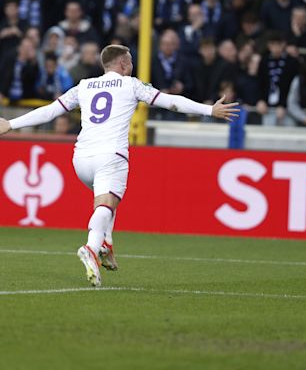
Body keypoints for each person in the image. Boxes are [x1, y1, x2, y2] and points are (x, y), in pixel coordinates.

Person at [0, 44, 239, 287]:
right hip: (111, 155)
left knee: (107, 202)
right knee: (106, 204)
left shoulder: (83, 86)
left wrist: (10, 123)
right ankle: (92, 248)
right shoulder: (131, 84)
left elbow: (50, 111)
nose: (132, 66)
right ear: (123, 64)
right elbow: (171, 102)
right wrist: (209, 109)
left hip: (81, 158)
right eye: (131, 61)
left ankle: (106, 245)